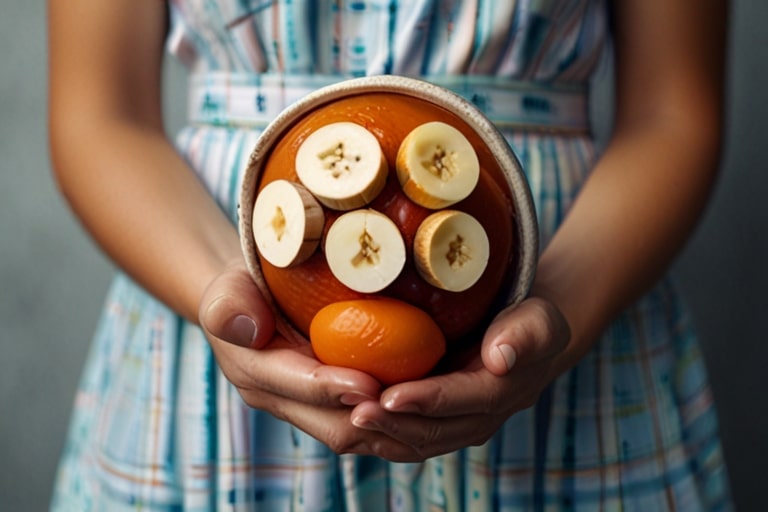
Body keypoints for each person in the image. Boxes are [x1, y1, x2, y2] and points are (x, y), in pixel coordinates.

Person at [48, 0, 732, 510]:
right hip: (201, 306)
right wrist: (227, 296)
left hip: (574, 307)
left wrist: (558, 306)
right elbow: (99, 115)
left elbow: (671, 114)